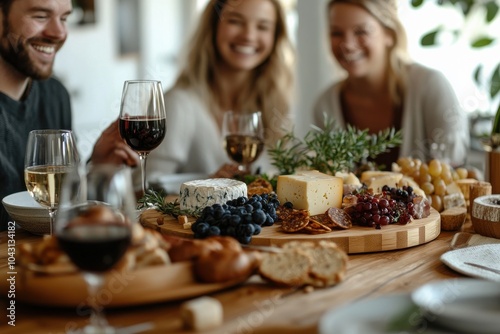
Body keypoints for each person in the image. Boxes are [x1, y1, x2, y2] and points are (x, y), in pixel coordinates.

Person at [142, 0, 295, 183]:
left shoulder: (278, 104)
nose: (248, 35)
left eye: (262, 26)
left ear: (275, 37)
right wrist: (206, 182)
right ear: (213, 27)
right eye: (235, 21)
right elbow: (144, 186)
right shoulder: (179, 103)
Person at [312, 0, 470, 169]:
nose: (348, 45)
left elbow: (454, 169)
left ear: (389, 34)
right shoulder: (325, 105)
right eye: (336, 33)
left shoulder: (430, 86)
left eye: (361, 31)